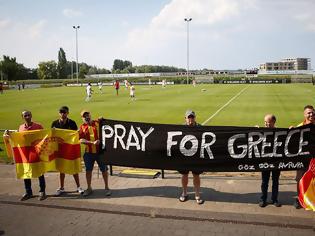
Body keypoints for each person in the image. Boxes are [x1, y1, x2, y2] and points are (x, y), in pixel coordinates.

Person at [5, 110, 46, 201]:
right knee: (26, 172)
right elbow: (17, 138)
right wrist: (10, 135)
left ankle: (42, 191)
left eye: (28, 115)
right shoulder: (20, 128)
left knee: (40, 172)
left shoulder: (38, 126)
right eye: (25, 115)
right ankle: (28, 192)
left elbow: (45, 137)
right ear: (22, 117)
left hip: (36, 153)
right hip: (25, 154)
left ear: (31, 115)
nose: (27, 117)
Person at [51, 106, 84, 196]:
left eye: (64, 112)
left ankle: (78, 187)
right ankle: (61, 187)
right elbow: (52, 136)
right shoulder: (54, 123)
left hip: (70, 149)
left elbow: (75, 136)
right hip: (60, 149)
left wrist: (77, 132)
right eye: (61, 112)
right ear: (59, 113)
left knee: (73, 169)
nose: (63, 114)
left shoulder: (72, 123)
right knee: (61, 170)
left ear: (68, 113)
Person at [79, 110, 111, 197]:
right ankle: (89, 188)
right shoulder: (82, 127)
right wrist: (91, 143)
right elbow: (81, 140)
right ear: (82, 118)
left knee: (104, 170)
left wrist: (102, 119)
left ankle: (107, 187)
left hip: (100, 152)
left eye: (87, 115)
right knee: (88, 171)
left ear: (90, 115)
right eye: (84, 116)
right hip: (88, 153)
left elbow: (108, 130)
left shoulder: (97, 122)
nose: (86, 117)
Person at [178, 110, 204, 204]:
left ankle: (197, 194)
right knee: (184, 175)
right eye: (188, 117)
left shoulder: (200, 128)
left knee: (196, 175)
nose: (190, 119)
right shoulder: (180, 128)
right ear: (185, 118)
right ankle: (184, 193)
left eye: (192, 117)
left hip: (196, 157)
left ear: (194, 118)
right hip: (184, 157)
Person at [293, 105, 315, 209]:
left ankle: (312, 199)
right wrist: (290, 132)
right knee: (300, 179)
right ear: (304, 114)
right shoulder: (300, 126)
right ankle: (299, 199)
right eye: (309, 113)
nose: (311, 114)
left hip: (314, 159)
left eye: (312, 112)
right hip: (302, 159)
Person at [258, 114, 281, 207]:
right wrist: (255, 130)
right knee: (264, 181)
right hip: (265, 161)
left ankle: (274, 199)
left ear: (273, 122)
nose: (266, 124)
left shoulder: (280, 132)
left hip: (276, 161)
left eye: (268, 122)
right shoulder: (261, 131)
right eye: (265, 122)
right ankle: (263, 199)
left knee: (275, 181)